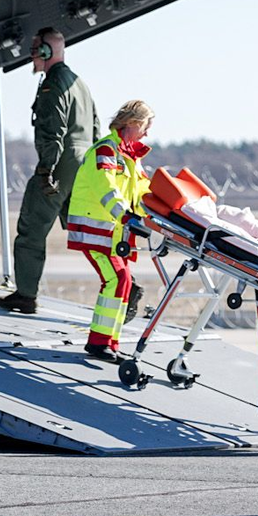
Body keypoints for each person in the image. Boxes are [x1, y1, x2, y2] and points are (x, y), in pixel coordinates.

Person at [0, 28, 98, 315]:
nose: (32, 54)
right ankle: (126, 284)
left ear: (46, 51)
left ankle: (26, 294)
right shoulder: (80, 85)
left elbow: (53, 130)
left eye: (35, 48)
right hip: (83, 162)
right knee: (85, 230)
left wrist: (46, 170)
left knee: (31, 226)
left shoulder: (54, 84)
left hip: (62, 161)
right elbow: (96, 127)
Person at [65, 100, 154, 363]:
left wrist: (157, 216)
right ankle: (99, 343)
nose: (147, 134)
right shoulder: (106, 150)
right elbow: (106, 188)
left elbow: (141, 195)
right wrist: (125, 216)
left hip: (114, 234)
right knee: (117, 280)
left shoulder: (131, 158)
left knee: (123, 282)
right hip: (96, 230)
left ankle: (109, 343)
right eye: (146, 127)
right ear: (134, 123)